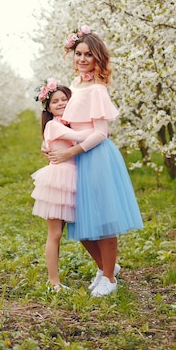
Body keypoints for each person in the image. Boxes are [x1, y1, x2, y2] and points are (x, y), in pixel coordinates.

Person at [45, 26, 143, 297]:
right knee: (80, 220)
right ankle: (105, 267)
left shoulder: (97, 90)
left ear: (98, 58)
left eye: (89, 54)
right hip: (75, 156)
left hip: (95, 156)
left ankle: (109, 278)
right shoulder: (75, 86)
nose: (83, 59)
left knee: (102, 219)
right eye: (78, 54)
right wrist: (54, 145)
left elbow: (101, 132)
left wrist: (69, 152)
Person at [31, 78, 91, 291]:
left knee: (81, 230)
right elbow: (81, 136)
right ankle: (54, 281)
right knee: (55, 233)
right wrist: (98, 128)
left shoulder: (65, 123)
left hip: (73, 180)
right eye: (55, 101)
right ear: (47, 107)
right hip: (59, 182)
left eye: (65, 99)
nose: (61, 104)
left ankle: (107, 267)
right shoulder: (54, 125)